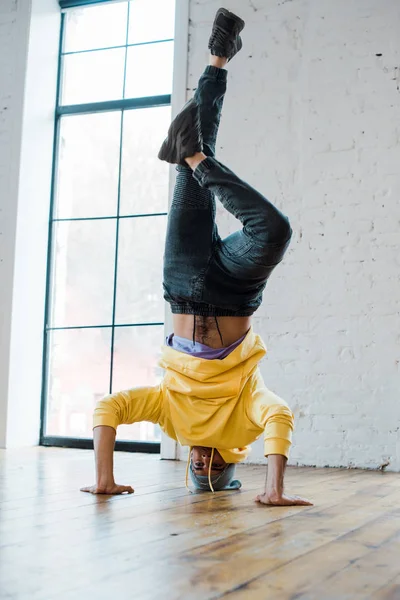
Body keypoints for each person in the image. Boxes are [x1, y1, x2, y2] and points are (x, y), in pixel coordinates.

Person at [81, 8, 311, 506]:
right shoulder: (247, 415)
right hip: (234, 293)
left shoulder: (170, 414)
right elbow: (280, 418)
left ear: (187, 458)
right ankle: (196, 155)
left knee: (190, 155)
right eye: (215, 469)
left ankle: (218, 59)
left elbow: (109, 406)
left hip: (183, 286)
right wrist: (273, 490)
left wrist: (104, 478)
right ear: (231, 460)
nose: (204, 463)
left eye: (197, 468)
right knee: (274, 230)